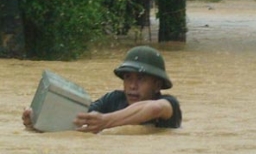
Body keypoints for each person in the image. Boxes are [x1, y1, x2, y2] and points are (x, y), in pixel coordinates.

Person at [21, 46, 182, 134]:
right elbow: (79, 121)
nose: (132, 85)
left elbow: (153, 108)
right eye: (127, 77)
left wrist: (106, 121)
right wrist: (38, 124)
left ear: (157, 85)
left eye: (141, 79)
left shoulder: (169, 105)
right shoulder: (113, 100)